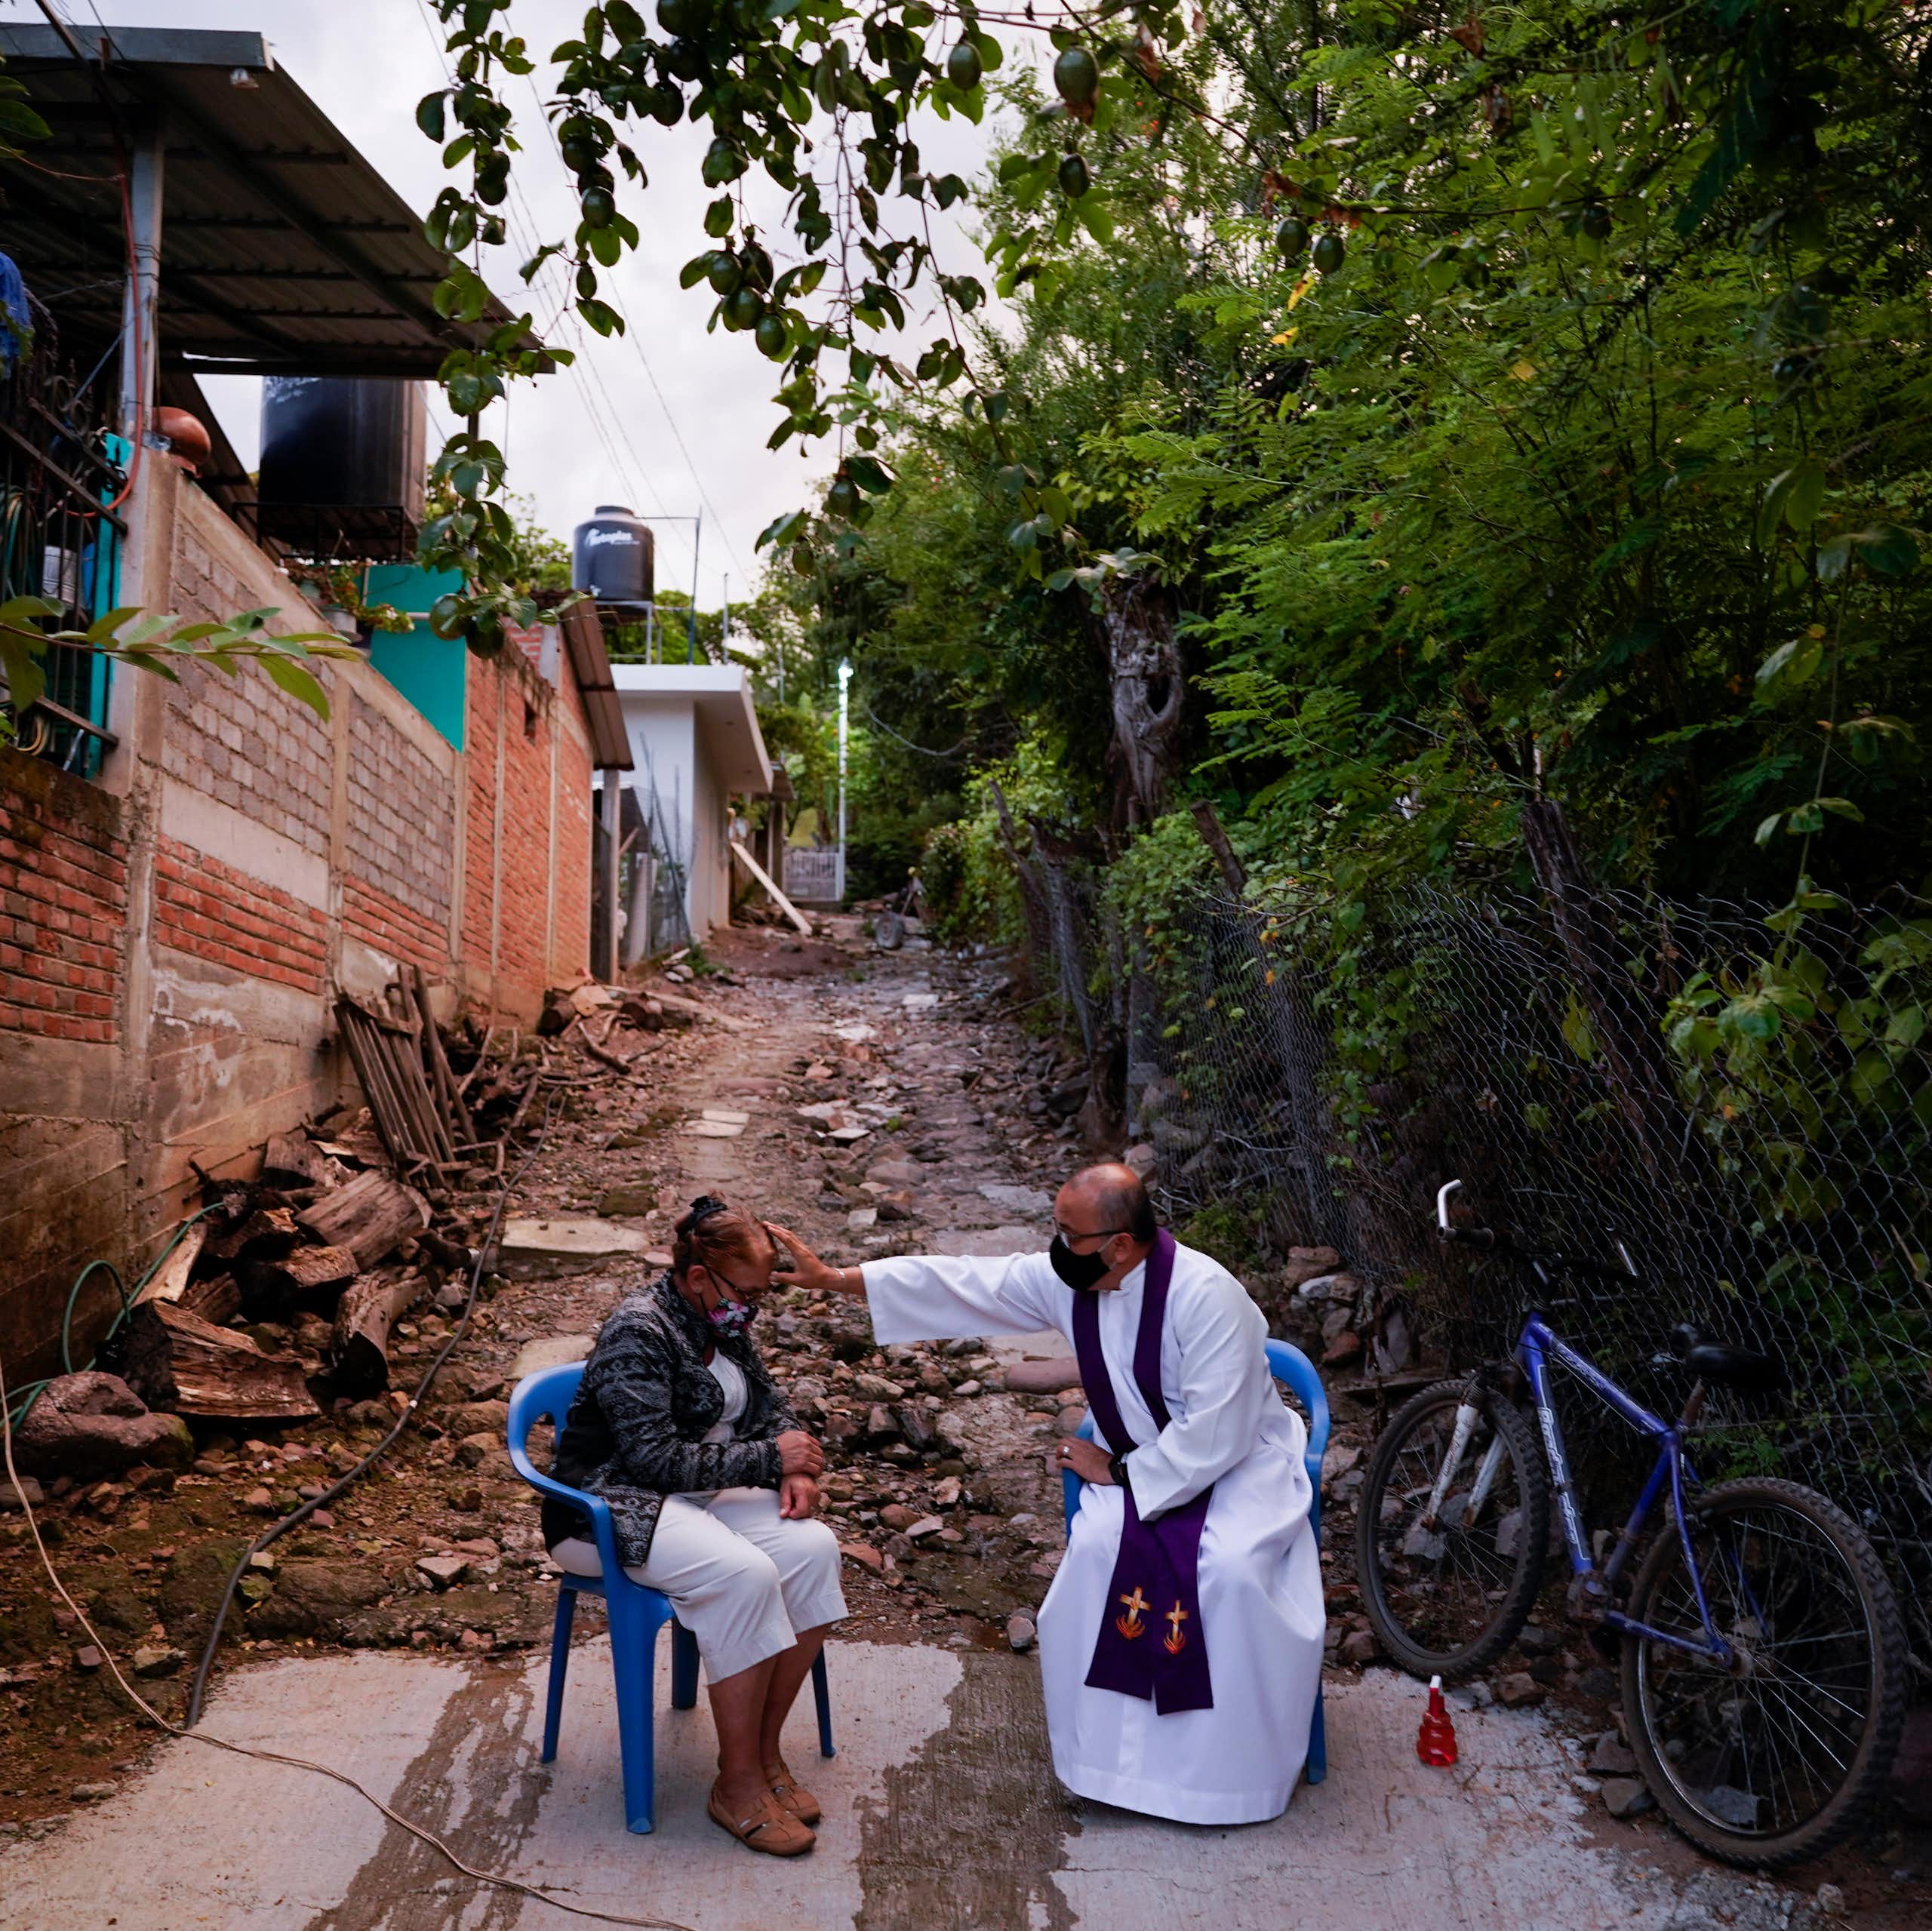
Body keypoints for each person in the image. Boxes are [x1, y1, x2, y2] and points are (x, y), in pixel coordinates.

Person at [771, 1162, 1324, 1826]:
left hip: (1234, 1469)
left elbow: (1219, 1431)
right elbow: (968, 1280)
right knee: (1095, 1552)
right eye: (1055, 1228)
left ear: (1120, 1243)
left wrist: (1120, 1473)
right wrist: (837, 1280)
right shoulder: (1077, 1277)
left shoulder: (1209, 1297)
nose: (1055, 1246)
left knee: (1230, 1572)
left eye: (1070, 1233)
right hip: (1138, 1464)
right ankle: (1113, 1765)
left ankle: (1227, 1778)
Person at [543, 1195, 845, 1856]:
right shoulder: (639, 1329)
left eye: (762, 1293)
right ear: (700, 1273)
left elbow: (769, 1402)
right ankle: (734, 1786)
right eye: (749, 1290)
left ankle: (762, 1755)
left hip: (694, 1498)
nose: (754, 1307)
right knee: (745, 1573)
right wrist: (771, 1458)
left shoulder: (721, 1318)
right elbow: (650, 1457)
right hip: (609, 1506)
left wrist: (794, 1461)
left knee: (814, 1548)